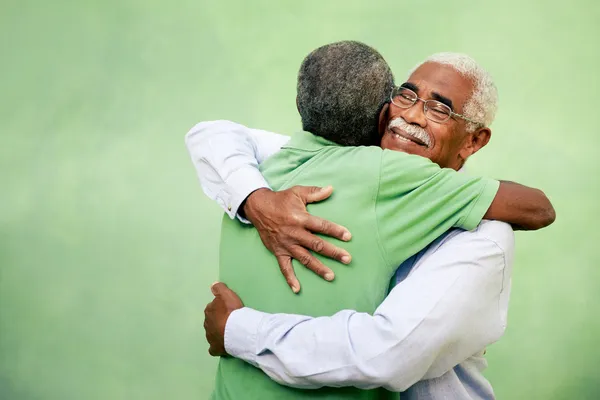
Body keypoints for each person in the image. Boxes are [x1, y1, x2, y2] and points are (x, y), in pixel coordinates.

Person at [187, 42, 555, 399]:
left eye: (439, 110)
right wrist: (257, 199)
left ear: (474, 140)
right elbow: (215, 135)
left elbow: (382, 355)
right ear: (383, 109)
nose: (410, 116)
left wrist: (237, 330)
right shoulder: (339, 167)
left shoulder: (481, 239)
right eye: (405, 96)